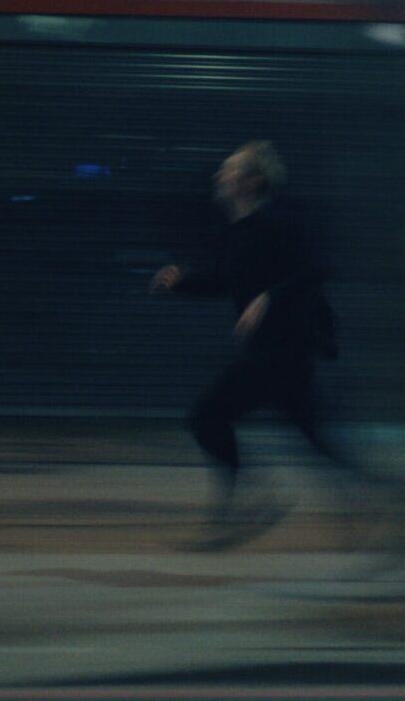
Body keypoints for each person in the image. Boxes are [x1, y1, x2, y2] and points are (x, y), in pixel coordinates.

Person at [151, 141, 347, 550]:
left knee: (206, 416)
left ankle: (249, 507)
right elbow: (225, 281)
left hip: (282, 352)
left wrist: (269, 297)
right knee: (325, 449)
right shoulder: (239, 232)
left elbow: (320, 267)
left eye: (230, 170)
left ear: (252, 181)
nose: (220, 176)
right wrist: (181, 282)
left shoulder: (278, 223)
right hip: (278, 357)